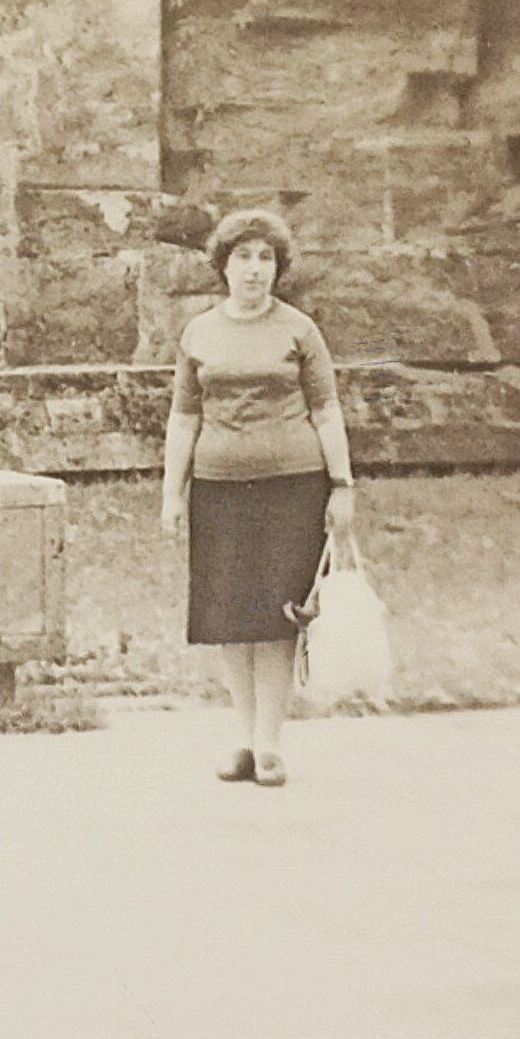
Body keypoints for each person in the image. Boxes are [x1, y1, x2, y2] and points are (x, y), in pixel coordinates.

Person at [161, 208, 356, 789]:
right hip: (218, 489)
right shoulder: (199, 332)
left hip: (292, 487)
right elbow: (183, 417)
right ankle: (242, 739)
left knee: (275, 618)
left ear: (278, 267)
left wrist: (342, 486)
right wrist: (172, 493)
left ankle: (269, 743)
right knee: (228, 618)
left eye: (265, 257)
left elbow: (327, 410)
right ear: (223, 265)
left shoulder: (299, 330)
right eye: (243, 257)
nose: (254, 269)